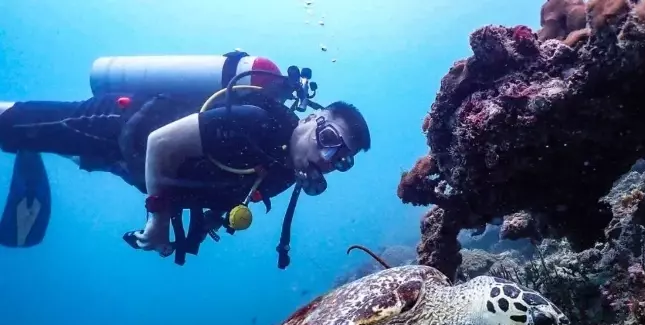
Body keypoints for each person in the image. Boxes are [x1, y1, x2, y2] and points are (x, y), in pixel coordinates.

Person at [0, 52, 371, 267]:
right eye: (328, 140)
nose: (326, 158)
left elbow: (222, 191)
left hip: (135, 165)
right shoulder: (256, 120)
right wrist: (159, 218)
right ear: (309, 119)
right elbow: (162, 143)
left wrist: (186, 225)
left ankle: (32, 150)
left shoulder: (284, 170)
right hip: (120, 124)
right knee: (19, 124)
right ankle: (23, 136)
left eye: (341, 160)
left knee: (68, 150)